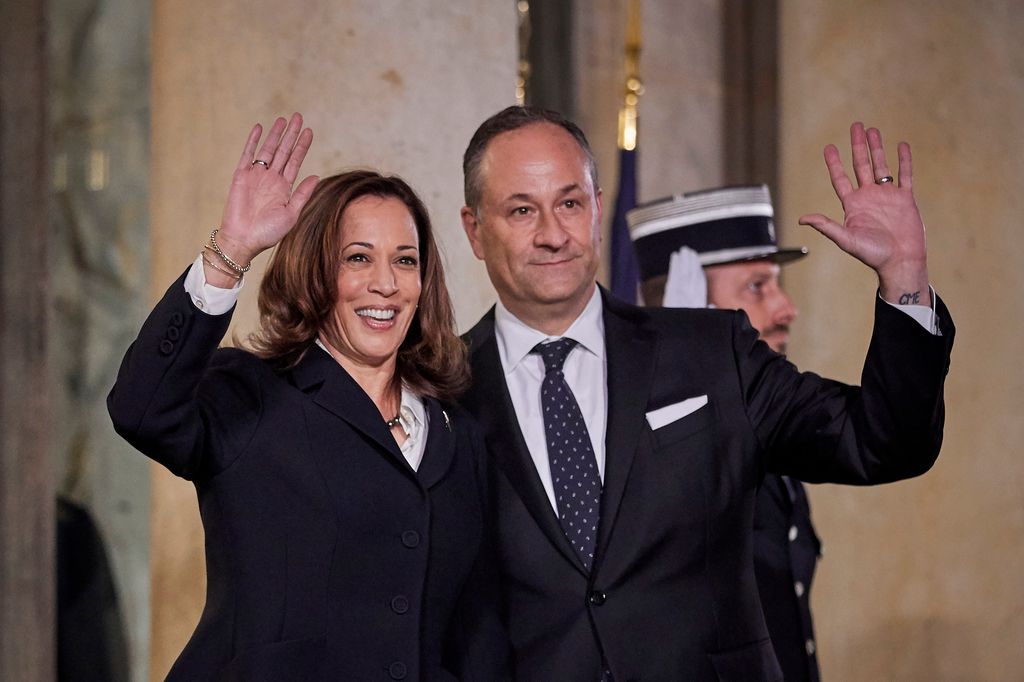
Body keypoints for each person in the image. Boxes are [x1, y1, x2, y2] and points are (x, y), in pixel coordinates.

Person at [458, 106, 953, 681]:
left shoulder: (712, 353)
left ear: (597, 209)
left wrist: (906, 277)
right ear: (474, 229)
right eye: (522, 210)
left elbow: (882, 442)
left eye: (569, 203)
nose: (552, 234)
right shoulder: (439, 390)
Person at [108, 114, 506, 681]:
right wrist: (233, 249)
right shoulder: (251, 396)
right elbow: (140, 409)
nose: (386, 284)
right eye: (358, 257)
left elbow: (474, 626)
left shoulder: (455, 432)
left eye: (405, 260)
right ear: (316, 270)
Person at [627, 184, 825, 681]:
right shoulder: (634, 438)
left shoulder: (762, 417)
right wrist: (679, 361)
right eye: (757, 287)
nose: (786, 308)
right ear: (696, 307)